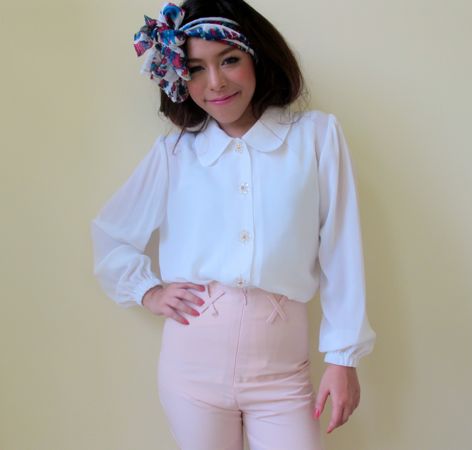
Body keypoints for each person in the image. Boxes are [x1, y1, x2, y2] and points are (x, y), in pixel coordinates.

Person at [90, 1, 376, 449]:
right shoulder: (175, 154)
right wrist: (148, 291)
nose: (216, 82)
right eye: (195, 68)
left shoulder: (315, 136)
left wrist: (343, 357)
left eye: (229, 60)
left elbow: (341, 246)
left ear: (257, 57)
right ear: (180, 77)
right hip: (191, 372)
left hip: (283, 374)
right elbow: (111, 235)